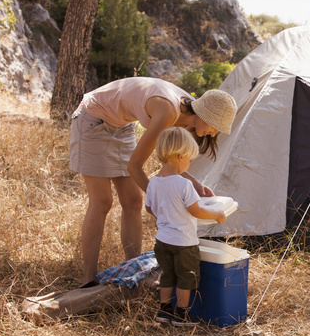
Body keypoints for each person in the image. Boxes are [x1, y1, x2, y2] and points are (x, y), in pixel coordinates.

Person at [69, 77, 237, 286]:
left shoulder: (186, 118)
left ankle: (133, 270)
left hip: (122, 126)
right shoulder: (169, 111)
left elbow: (170, 162)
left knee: (133, 201)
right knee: (102, 201)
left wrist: (193, 182)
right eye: (216, 126)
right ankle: (88, 279)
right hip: (94, 118)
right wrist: (161, 200)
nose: (214, 133)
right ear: (205, 114)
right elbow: (135, 166)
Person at [144, 127, 227, 326]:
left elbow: (149, 207)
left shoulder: (154, 182)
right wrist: (217, 214)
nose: (188, 164)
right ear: (180, 156)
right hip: (184, 243)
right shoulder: (183, 185)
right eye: (189, 159)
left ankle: (164, 311)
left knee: (167, 275)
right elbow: (196, 211)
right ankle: (181, 315)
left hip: (162, 241)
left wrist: (166, 215)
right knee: (185, 278)